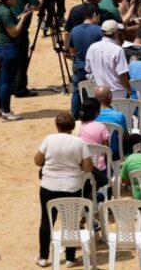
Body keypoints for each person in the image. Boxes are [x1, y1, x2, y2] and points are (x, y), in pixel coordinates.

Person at [35, 112, 93, 267]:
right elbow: (88, 168)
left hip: (49, 186)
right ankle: (70, 258)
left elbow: (37, 160)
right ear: (73, 127)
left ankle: (43, 257)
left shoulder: (49, 139)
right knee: (71, 222)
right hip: (71, 187)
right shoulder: (79, 142)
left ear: (57, 126)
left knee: (47, 220)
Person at [0, 0, 36, 121]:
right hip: (8, 49)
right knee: (7, 82)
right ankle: (6, 111)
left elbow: (10, 22)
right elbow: (14, 32)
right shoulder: (5, 12)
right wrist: (23, 19)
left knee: (1, 79)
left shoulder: (1, 8)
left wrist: (22, 13)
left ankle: (0, 108)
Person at [86, 20, 130, 99]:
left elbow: (88, 69)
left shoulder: (92, 47)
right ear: (116, 33)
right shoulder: (118, 50)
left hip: (100, 93)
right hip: (118, 94)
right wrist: (129, 88)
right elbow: (122, 74)